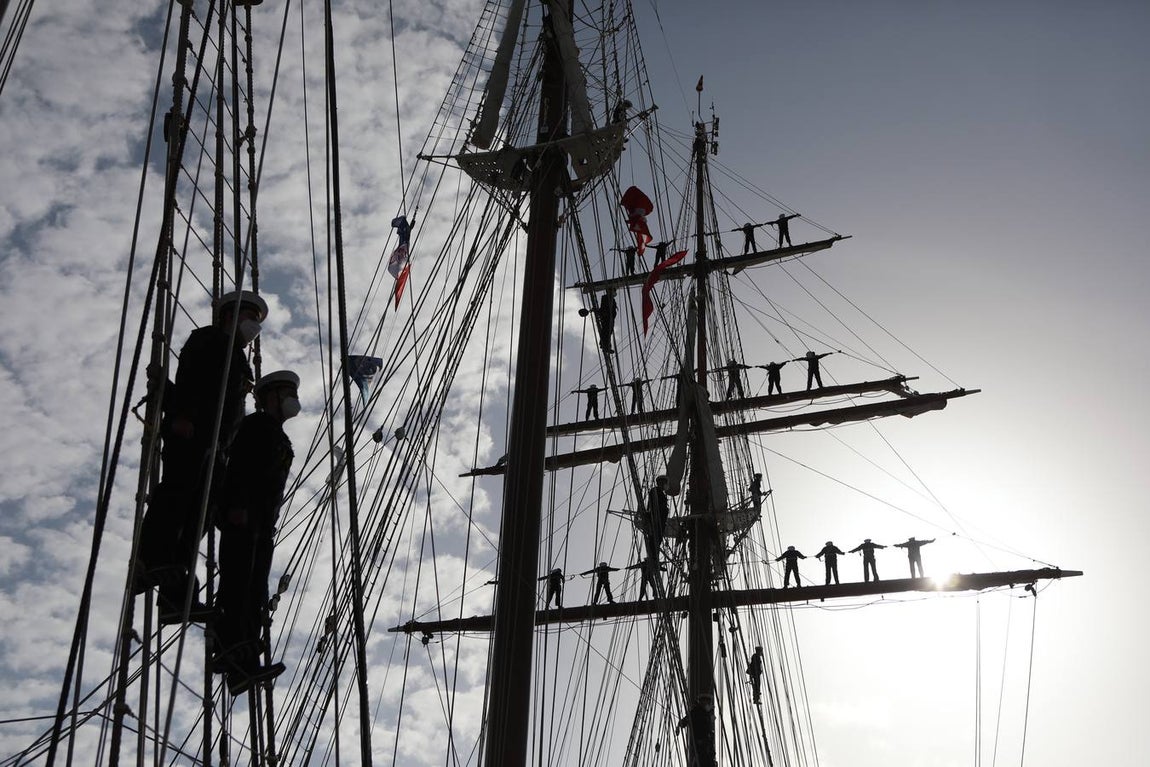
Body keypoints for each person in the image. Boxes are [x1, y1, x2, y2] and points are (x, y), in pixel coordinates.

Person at [138, 290, 267, 623]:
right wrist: (181, 414)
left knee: (198, 519)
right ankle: (148, 560)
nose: (253, 325)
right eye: (249, 317)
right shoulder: (208, 340)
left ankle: (175, 597)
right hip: (193, 432)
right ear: (229, 316)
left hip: (218, 447)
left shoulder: (239, 362)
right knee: (177, 494)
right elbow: (191, 380)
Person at [212, 369, 299, 695]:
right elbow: (239, 469)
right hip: (244, 518)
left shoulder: (279, 437)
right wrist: (236, 505)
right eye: (285, 393)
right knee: (240, 583)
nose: (292, 400)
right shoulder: (257, 425)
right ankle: (231, 648)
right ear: (269, 398)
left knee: (255, 593)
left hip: (261, 525)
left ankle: (243, 665)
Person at [646, 475, 670, 554]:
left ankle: (653, 556)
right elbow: (653, 506)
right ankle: (653, 556)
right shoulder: (656, 491)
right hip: (657, 519)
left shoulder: (657, 492)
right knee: (655, 539)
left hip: (659, 519)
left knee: (656, 540)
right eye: (665, 483)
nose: (666, 485)